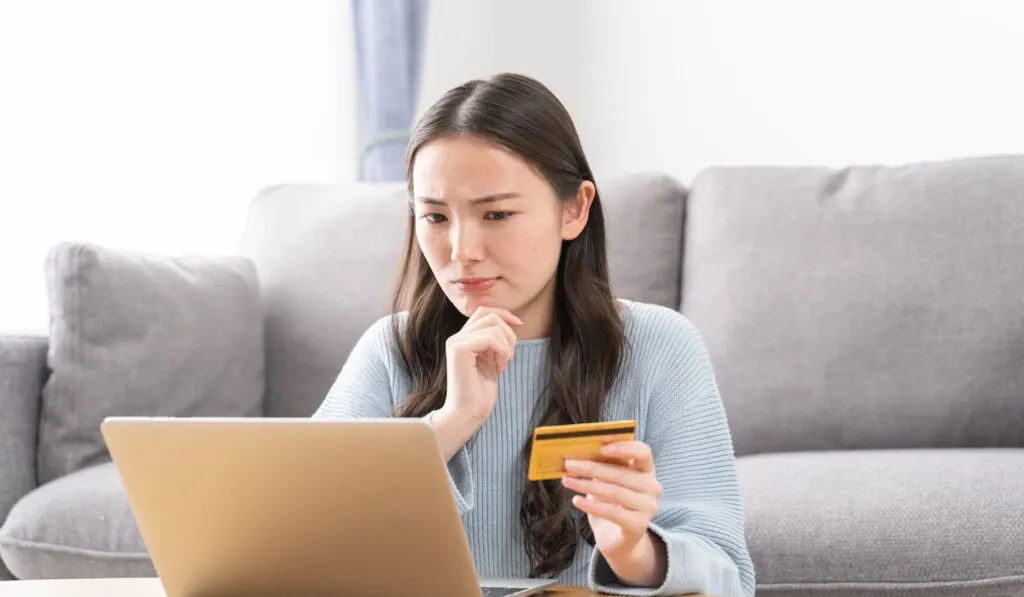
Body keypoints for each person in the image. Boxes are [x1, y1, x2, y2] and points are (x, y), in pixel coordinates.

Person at [314, 72, 756, 597]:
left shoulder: (660, 347)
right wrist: (450, 422)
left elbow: (730, 579)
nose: (461, 251)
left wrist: (633, 551)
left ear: (574, 209)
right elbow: (296, 538)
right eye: (434, 216)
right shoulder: (391, 349)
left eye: (496, 214)